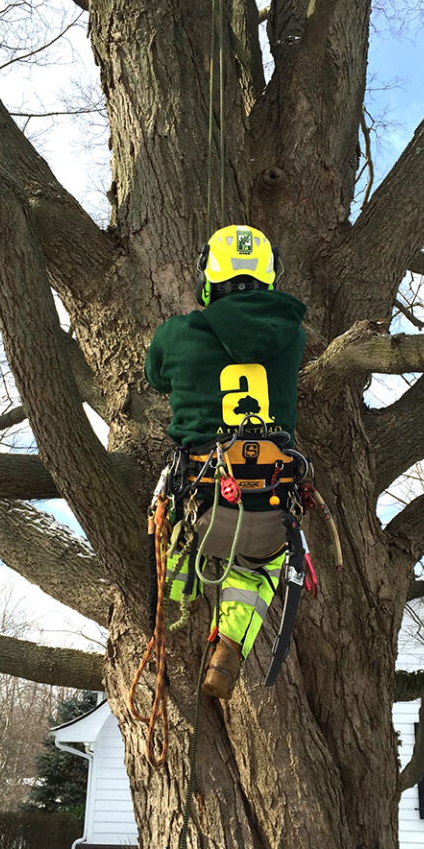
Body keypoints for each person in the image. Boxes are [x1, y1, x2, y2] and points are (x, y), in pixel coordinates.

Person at [144, 224, 306, 699]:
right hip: (272, 507)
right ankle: (231, 640)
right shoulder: (291, 337)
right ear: (269, 275)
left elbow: (156, 376)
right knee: (258, 569)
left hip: (201, 498)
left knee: (175, 539)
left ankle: (173, 608)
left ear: (207, 277)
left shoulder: (176, 333)